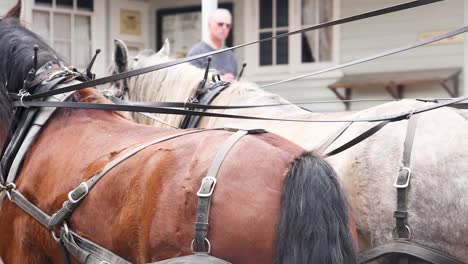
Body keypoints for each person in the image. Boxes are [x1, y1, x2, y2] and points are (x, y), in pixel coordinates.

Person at [187, 8, 237, 81]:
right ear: (209, 25)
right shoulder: (196, 53)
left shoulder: (230, 55)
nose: (224, 28)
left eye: (228, 26)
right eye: (220, 24)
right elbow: (191, 83)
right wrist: (221, 80)